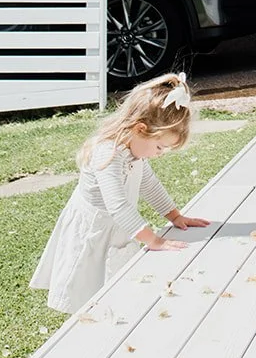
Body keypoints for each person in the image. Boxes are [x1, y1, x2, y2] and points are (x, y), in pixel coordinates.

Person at [30, 72, 210, 313]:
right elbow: (118, 206)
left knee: (115, 282)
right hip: (92, 230)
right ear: (140, 129)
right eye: (159, 147)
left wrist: (175, 216)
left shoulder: (133, 150)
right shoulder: (108, 153)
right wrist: (154, 240)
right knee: (84, 285)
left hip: (116, 227)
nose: (159, 153)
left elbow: (149, 184)